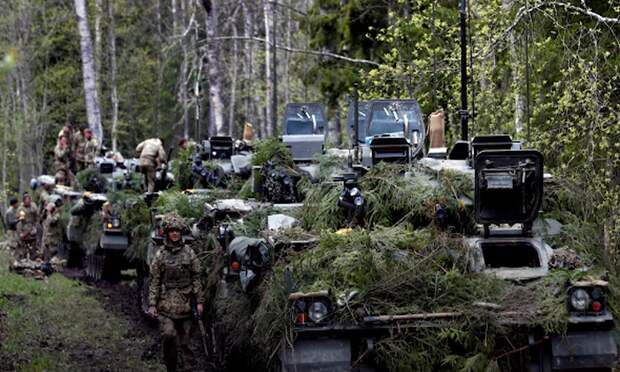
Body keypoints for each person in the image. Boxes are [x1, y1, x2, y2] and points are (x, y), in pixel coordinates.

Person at [148, 213, 204, 372]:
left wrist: (199, 302)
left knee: (187, 342)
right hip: (165, 306)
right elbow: (154, 281)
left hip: (186, 305)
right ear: (166, 233)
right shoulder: (160, 255)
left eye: (177, 231)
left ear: (181, 233)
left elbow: (196, 278)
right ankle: (170, 366)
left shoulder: (189, 253)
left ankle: (188, 368)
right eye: (171, 231)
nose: (174, 233)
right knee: (169, 335)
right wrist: (152, 304)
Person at [17, 193, 39, 259]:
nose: (29, 202)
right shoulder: (21, 209)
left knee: (33, 245)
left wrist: (35, 226)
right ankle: (23, 260)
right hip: (24, 229)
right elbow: (20, 221)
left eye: (29, 200)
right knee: (23, 246)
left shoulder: (33, 206)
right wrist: (21, 232)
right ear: (24, 201)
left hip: (32, 228)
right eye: (27, 201)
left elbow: (36, 217)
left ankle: (33, 258)